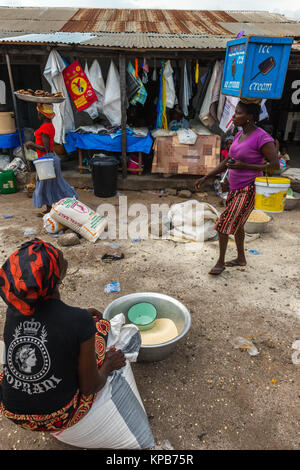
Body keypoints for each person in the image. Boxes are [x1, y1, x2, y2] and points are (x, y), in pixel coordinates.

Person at [0, 239, 154, 448]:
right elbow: (90, 387)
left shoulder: (14, 312)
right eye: (58, 258)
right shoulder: (78, 321)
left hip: (12, 411)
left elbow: (49, 323)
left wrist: (80, 318)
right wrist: (108, 364)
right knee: (111, 338)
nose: (62, 257)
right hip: (58, 416)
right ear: (54, 277)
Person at [195, 100, 279, 275]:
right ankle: (241, 258)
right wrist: (205, 177)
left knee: (223, 224)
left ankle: (220, 262)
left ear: (250, 117)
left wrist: (244, 166)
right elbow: (227, 162)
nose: (233, 116)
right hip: (234, 188)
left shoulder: (262, 137)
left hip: (250, 189)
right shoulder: (238, 135)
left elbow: (274, 165)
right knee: (238, 224)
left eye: (238, 113)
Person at [25, 103, 78, 216]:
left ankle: (54, 208)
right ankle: (57, 206)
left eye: (39, 113)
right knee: (52, 184)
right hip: (50, 158)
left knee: (46, 185)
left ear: (42, 115)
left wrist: (31, 144)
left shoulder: (44, 128)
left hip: (46, 160)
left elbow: (46, 148)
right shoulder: (50, 125)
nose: (38, 115)